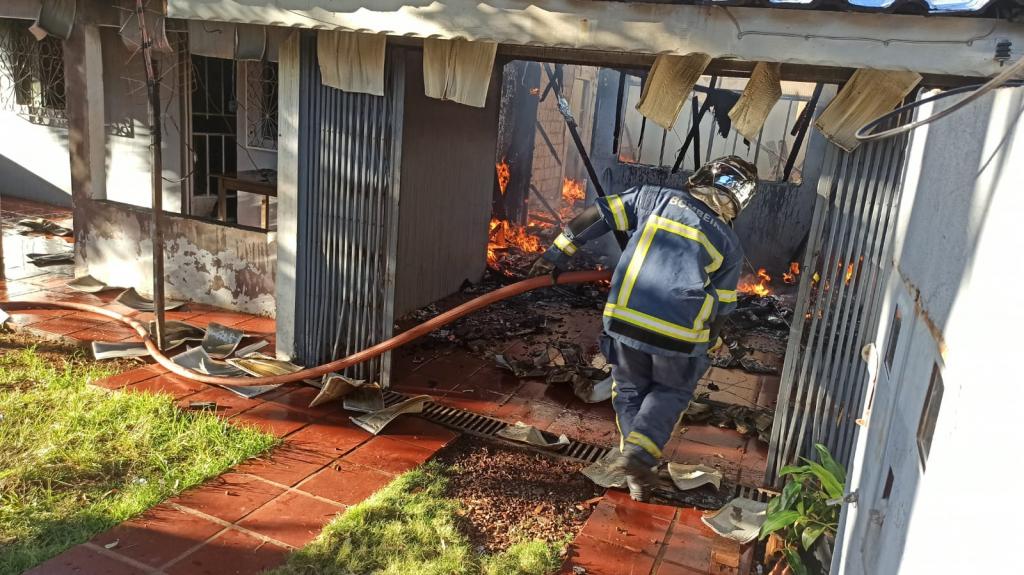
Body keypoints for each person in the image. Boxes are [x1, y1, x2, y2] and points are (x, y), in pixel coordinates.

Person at [530, 156, 758, 501]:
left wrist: (556, 254)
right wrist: (710, 341)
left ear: (701, 177)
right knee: (671, 392)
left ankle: (634, 468)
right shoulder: (729, 242)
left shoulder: (652, 197)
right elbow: (723, 307)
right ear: (738, 202)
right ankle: (640, 455)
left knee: (629, 391)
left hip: (625, 321)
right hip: (680, 335)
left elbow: (598, 216)